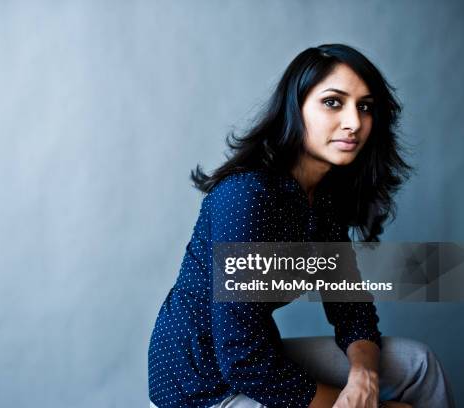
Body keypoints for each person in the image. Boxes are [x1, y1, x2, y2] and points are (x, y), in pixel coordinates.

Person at [147, 44, 455, 408]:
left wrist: (363, 379)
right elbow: (241, 357)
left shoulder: (320, 198)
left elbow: (351, 309)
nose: (354, 122)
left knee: (418, 364)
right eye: (333, 102)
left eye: (365, 107)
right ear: (296, 107)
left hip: (259, 361)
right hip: (201, 387)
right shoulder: (247, 195)